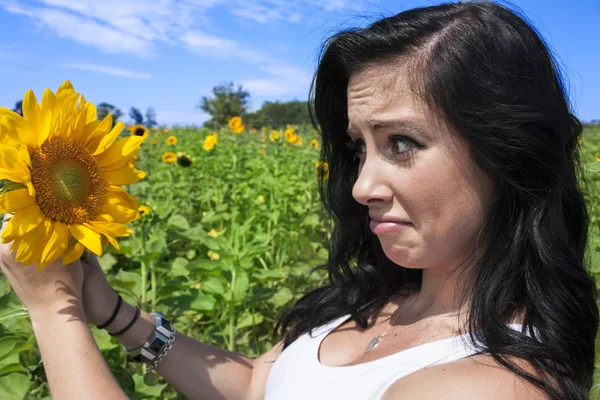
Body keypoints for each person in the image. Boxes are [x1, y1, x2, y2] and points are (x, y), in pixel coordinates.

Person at [0, 1, 597, 399]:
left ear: (509, 153)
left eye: (403, 144)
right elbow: (264, 382)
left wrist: (57, 315)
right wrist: (114, 314)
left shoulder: (489, 382)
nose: (362, 186)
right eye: (358, 148)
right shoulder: (391, 295)